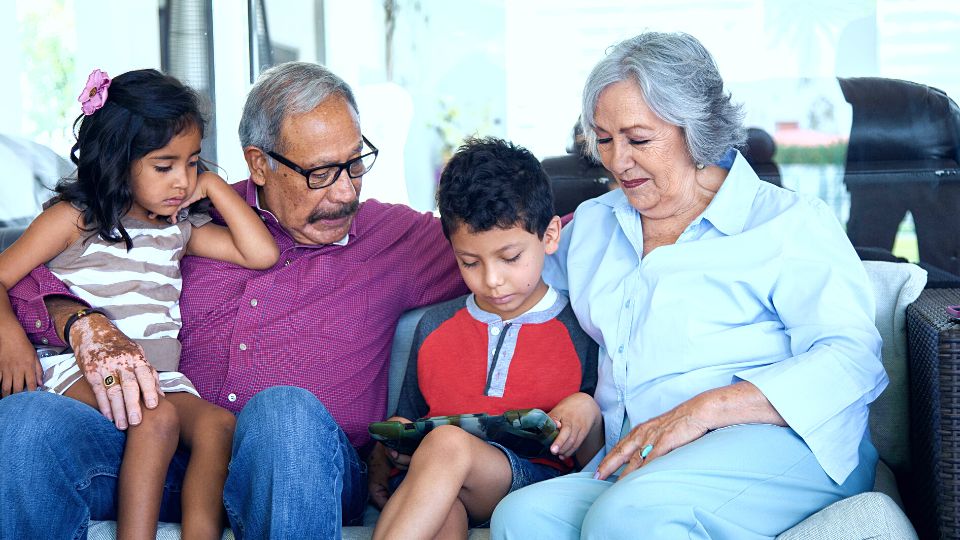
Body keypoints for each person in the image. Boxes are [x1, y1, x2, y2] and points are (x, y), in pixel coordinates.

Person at [0, 62, 467, 539]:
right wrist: (77, 320)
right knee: (24, 421)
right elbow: (30, 272)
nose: (346, 191)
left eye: (355, 163)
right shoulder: (180, 212)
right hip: (157, 456)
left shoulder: (394, 238)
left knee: (284, 415)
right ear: (260, 163)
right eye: (322, 173)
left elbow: (512, 249)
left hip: (300, 469)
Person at [491, 32, 888, 540]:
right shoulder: (593, 225)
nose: (616, 161)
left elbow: (851, 359)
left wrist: (703, 412)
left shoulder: (786, 223)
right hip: (651, 456)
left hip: (784, 443)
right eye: (604, 139)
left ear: (695, 131)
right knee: (524, 517)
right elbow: (505, 264)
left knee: (629, 514)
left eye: (638, 139)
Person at [0, 68, 278, 539]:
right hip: (77, 368)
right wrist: (10, 341)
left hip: (161, 377)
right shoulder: (75, 220)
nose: (181, 180)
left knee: (217, 425)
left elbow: (261, 253)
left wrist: (211, 188)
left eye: (192, 163)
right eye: (164, 166)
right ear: (118, 160)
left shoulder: (178, 230)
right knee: (158, 416)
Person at [369, 137, 602, 539]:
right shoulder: (434, 327)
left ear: (549, 236)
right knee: (443, 507)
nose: (491, 280)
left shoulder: (581, 326)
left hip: (537, 485)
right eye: (470, 262)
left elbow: (594, 457)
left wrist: (587, 411)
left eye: (510, 259)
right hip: (447, 483)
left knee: (446, 445)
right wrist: (389, 444)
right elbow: (408, 416)